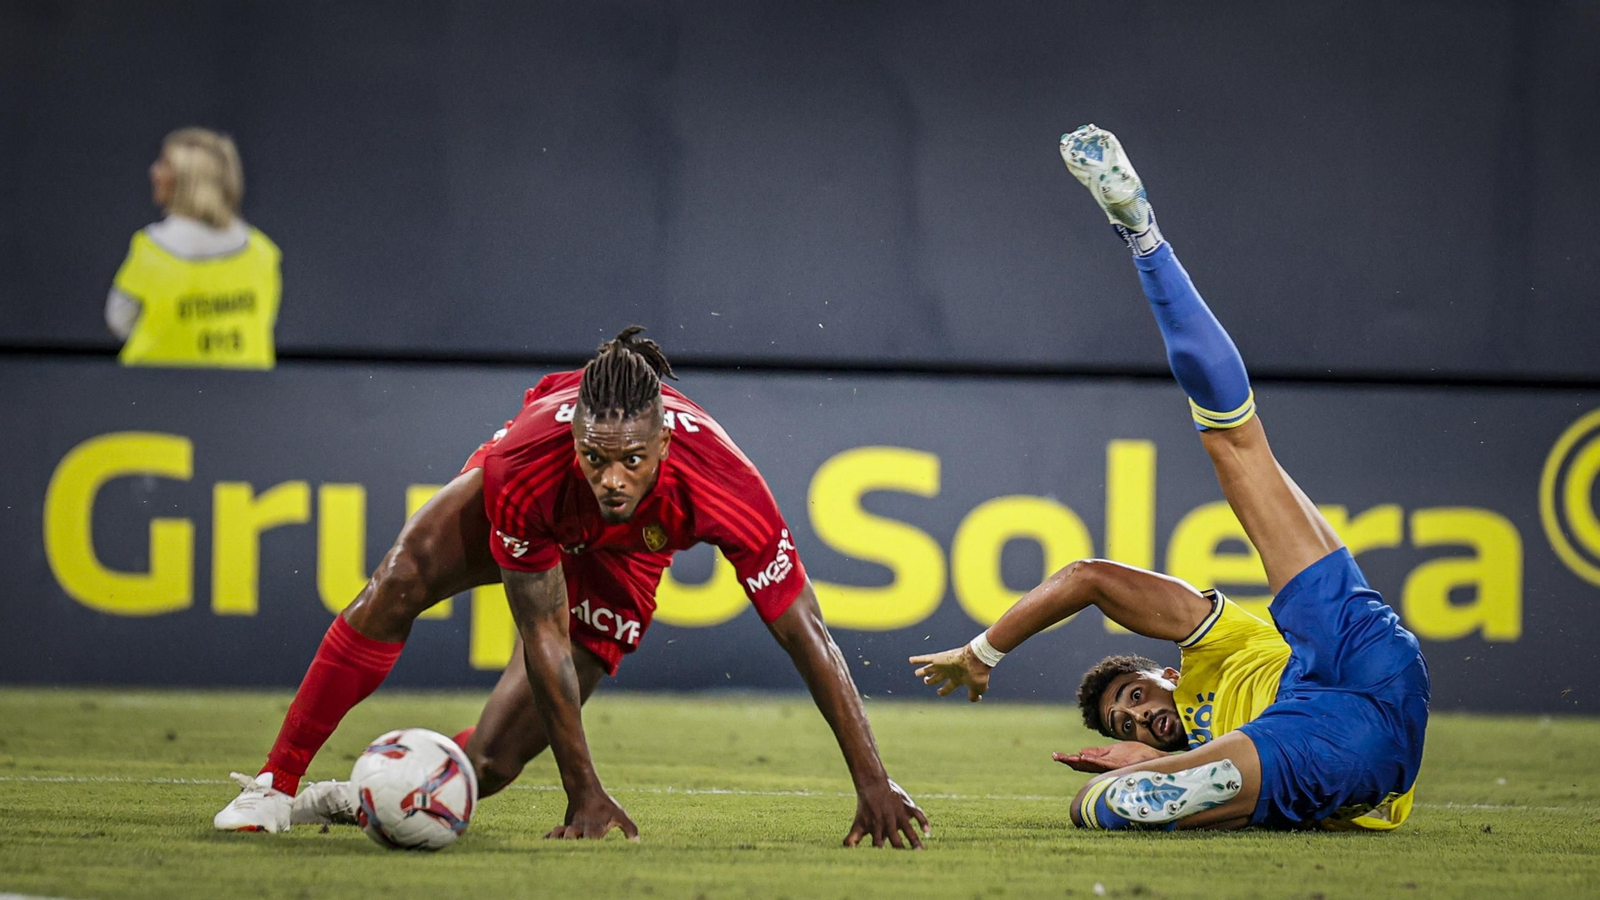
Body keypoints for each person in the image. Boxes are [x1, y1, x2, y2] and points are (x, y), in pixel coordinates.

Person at [215, 327, 929, 848]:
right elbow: (541, 634)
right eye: (596, 457)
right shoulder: (529, 463)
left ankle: (355, 796)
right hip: (547, 512)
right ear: (577, 440)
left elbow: (806, 633)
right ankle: (275, 784)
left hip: (626, 564)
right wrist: (581, 790)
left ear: (666, 448)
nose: (612, 479)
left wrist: (872, 777)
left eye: (632, 462)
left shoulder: (726, 485)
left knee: (490, 765)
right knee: (400, 578)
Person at [909, 125, 1429, 832]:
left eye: (1130, 691)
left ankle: (1144, 236)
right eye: (1123, 714)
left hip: (1350, 648)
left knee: (1237, 447)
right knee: (1103, 802)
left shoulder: (1217, 645)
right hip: (1335, 749)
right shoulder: (1236, 731)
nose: (1131, 709)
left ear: (1168, 674)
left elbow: (1089, 576)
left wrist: (982, 651)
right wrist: (1146, 762)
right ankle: (1177, 782)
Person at [107, 127, 281, 369]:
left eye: (164, 164)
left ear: (187, 179)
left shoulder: (151, 252)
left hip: (155, 391)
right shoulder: (262, 252)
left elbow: (119, 320)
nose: (154, 172)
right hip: (244, 395)